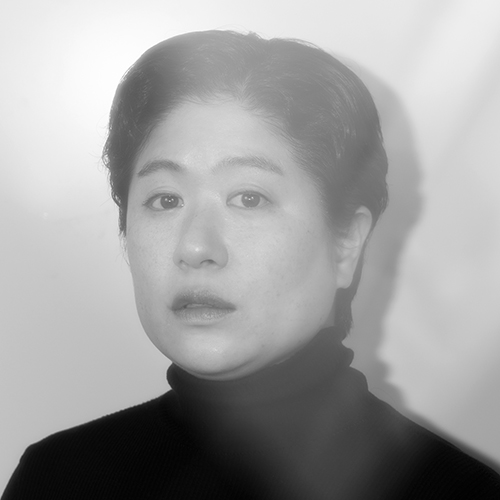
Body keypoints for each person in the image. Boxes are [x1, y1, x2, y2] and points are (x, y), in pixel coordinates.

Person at [3, 30, 500, 499]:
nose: (195, 247)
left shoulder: (459, 492)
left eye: (249, 198)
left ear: (346, 242)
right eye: (165, 200)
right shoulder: (58, 480)